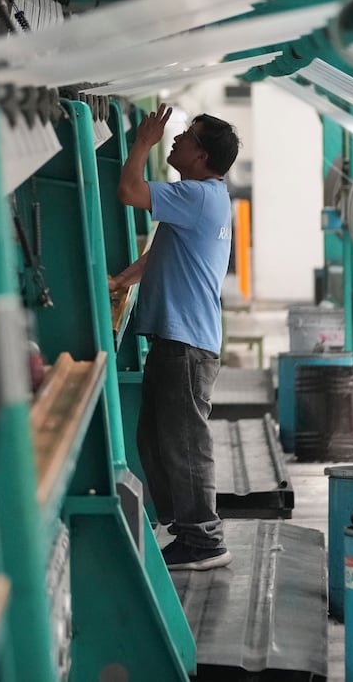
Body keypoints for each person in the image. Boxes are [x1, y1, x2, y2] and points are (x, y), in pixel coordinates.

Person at [111, 104, 240, 571]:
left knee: (184, 443)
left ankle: (204, 540)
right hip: (180, 338)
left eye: (186, 136)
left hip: (186, 342)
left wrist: (141, 142)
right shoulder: (201, 197)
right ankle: (183, 525)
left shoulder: (199, 196)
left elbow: (128, 191)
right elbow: (167, 248)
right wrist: (124, 279)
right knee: (154, 438)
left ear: (201, 156)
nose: (176, 139)